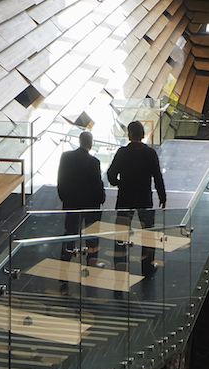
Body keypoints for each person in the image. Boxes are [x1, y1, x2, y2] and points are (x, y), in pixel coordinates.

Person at [106, 120, 167, 278]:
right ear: (143, 135)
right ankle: (147, 267)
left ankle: (120, 266)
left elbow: (111, 174)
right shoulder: (150, 153)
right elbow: (157, 176)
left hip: (125, 197)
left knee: (121, 232)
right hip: (144, 198)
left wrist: (119, 184)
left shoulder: (122, 152)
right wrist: (162, 196)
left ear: (129, 134)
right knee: (148, 232)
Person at [56, 131, 105, 290]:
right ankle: (90, 267)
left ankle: (64, 269)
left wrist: (64, 198)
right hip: (90, 206)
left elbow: (60, 180)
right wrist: (101, 199)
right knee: (91, 236)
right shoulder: (94, 162)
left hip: (71, 204)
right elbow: (97, 185)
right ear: (90, 144)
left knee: (70, 234)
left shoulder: (66, 157)